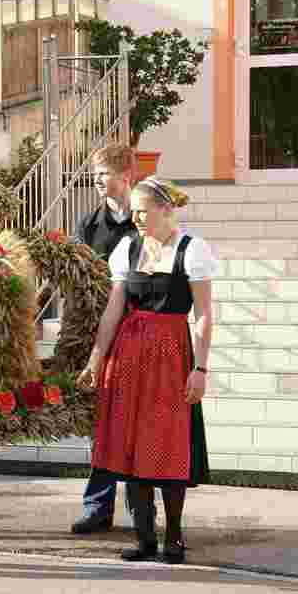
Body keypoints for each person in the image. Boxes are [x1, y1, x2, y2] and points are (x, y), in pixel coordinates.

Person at [77, 176, 216, 564]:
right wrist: (96, 357)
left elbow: (204, 314)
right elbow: (112, 311)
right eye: (134, 212)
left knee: (168, 443)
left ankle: (174, 537)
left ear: (166, 210)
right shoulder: (128, 248)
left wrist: (200, 368)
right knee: (130, 444)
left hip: (171, 358)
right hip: (128, 357)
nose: (135, 218)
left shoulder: (192, 249)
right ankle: (144, 538)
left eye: (142, 211)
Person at [68, 144, 138, 535]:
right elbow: (76, 279)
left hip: (137, 333)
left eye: (103, 173)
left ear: (126, 176)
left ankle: (140, 508)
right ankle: (98, 507)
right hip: (98, 331)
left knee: (136, 422)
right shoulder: (87, 225)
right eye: (94, 174)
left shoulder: (146, 222)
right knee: (100, 425)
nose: (96, 180)